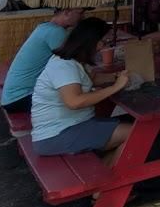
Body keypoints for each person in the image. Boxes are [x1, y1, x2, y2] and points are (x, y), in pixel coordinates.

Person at [30, 18, 133, 161]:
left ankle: (107, 166)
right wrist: (116, 87)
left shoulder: (72, 61)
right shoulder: (64, 66)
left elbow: (88, 79)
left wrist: (114, 77)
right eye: (102, 42)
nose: (102, 46)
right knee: (135, 135)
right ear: (91, 41)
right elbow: (74, 102)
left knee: (130, 126)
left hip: (71, 126)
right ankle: (108, 174)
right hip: (56, 135)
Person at [0, 6, 84, 110]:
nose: (83, 16)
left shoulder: (44, 27)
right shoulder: (56, 32)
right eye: (80, 13)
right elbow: (73, 63)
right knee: (78, 97)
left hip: (12, 96)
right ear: (66, 13)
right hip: (21, 97)